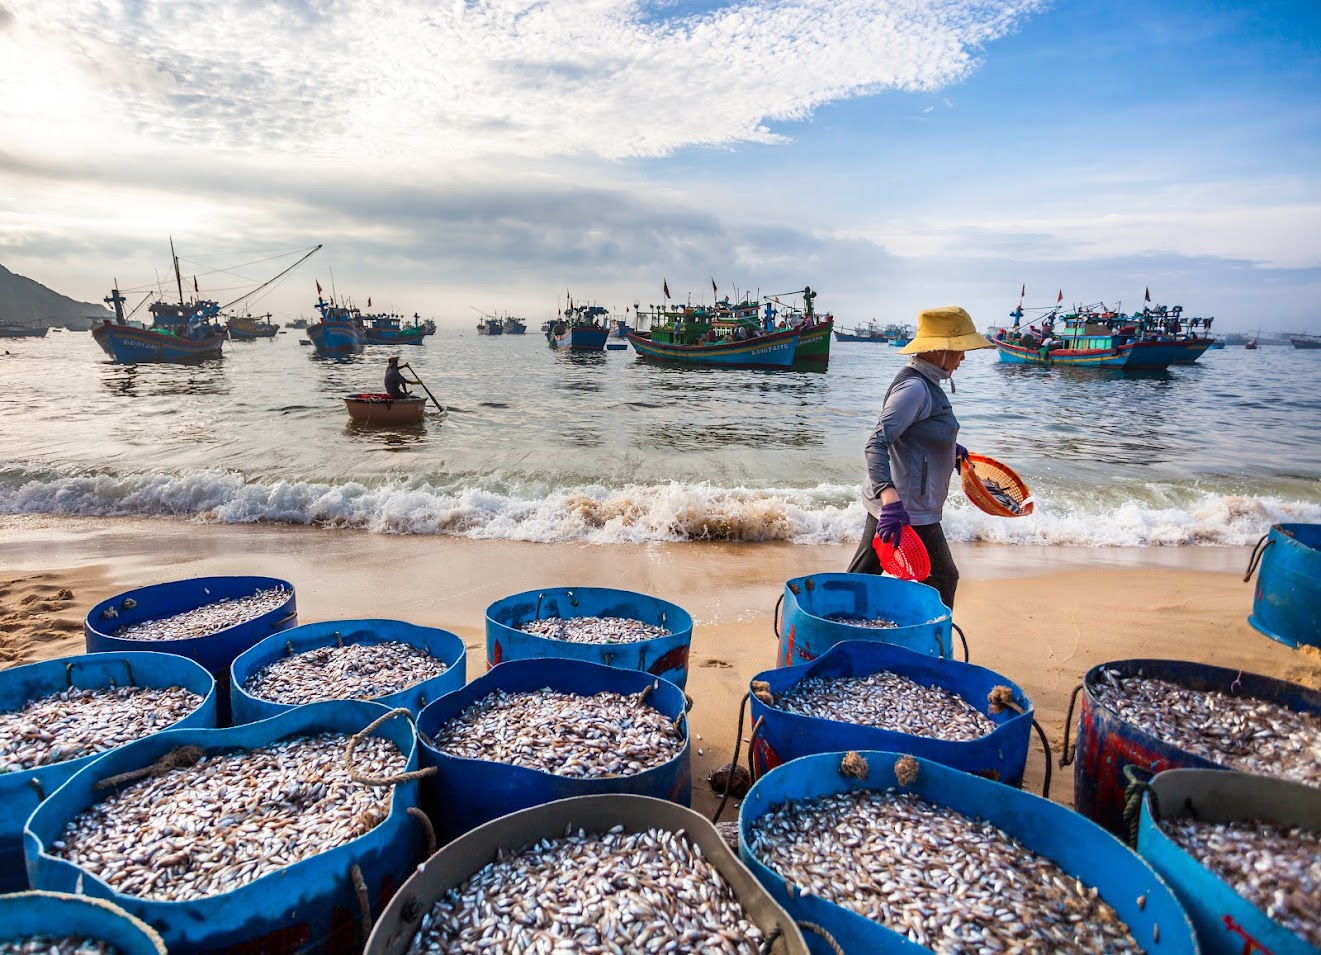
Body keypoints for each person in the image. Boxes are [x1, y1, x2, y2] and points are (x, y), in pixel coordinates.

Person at [846, 306, 994, 609]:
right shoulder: (915, 388)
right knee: (941, 579)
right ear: (940, 350)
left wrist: (951, 451)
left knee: (864, 578)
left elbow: (915, 437)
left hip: (907, 505)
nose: (963, 357)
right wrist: (890, 500)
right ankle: (930, 643)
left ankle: (841, 627)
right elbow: (876, 442)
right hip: (904, 509)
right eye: (960, 349)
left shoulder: (927, 384)